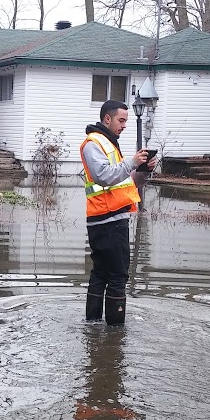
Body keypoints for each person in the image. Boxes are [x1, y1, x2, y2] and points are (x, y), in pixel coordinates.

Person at [79, 100, 155, 325]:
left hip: (106, 219)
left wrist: (143, 171)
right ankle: (115, 335)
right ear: (107, 119)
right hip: (108, 221)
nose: (124, 126)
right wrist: (132, 162)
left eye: (126, 121)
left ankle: (92, 325)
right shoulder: (94, 143)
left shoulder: (108, 144)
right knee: (118, 277)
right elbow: (103, 176)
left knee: (100, 274)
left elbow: (125, 182)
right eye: (121, 120)